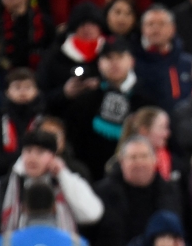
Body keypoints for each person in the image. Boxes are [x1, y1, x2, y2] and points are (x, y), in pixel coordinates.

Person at [88, 135, 181, 246]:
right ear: (122, 161)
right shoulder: (101, 193)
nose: (139, 163)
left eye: (144, 156)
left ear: (154, 160)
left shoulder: (170, 192)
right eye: (133, 157)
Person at [0, 128, 104, 241]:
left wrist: (63, 175)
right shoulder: (0, 187)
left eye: (40, 152)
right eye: (28, 151)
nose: (32, 158)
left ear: (53, 156)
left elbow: (92, 214)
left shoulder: (66, 184)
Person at [63, 38, 154, 180]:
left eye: (120, 57)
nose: (114, 63)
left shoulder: (146, 98)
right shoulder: (86, 99)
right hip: (91, 175)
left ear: (131, 61)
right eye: (109, 58)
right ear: (100, 63)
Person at [34, 1, 104, 108]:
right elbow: (40, 95)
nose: (88, 28)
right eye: (82, 24)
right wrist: (64, 93)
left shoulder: (108, 52)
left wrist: (101, 86)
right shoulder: (55, 55)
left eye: (93, 24)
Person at [0, 68, 46, 182]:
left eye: (28, 87)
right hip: (2, 181)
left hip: (40, 181)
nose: (23, 92)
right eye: (17, 87)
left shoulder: (45, 124)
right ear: (7, 92)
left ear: (37, 91)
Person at [132, 5, 192, 112]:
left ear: (173, 29)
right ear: (142, 29)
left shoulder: (189, 63)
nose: (156, 29)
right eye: (150, 24)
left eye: (161, 24)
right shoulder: (134, 63)